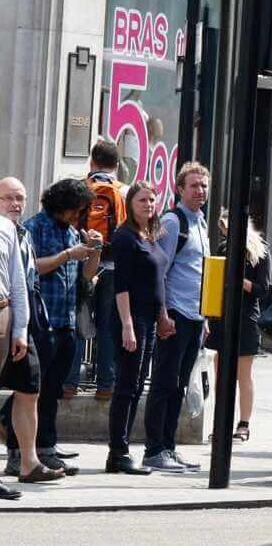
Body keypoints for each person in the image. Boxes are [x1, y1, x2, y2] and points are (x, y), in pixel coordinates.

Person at [16, 179, 101, 475]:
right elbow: (32, 267)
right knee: (31, 389)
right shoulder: (34, 227)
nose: (78, 217)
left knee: (53, 389)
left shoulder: (72, 231)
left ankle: (45, 447)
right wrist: (67, 255)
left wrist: (94, 250)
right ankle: (21, 448)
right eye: (75, 211)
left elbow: (87, 276)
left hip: (66, 319)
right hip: (43, 319)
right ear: (61, 205)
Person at [146, 163, 212, 474]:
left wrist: (206, 316)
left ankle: (169, 447)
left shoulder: (201, 222)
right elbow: (159, 270)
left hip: (195, 316)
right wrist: (162, 314)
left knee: (179, 386)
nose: (200, 191)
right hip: (175, 313)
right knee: (164, 382)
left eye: (203, 185)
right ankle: (154, 449)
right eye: (194, 185)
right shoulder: (173, 222)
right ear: (180, 189)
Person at [106, 183, 172, 475]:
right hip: (131, 318)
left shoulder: (152, 235)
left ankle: (122, 449)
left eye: (152, 200)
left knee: (136, 386)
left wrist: (163, 315)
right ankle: (117, 452)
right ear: (131, 203)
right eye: (142, 200)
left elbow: (158, 281)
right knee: (126, 386)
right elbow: (121, 285)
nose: (148, 204)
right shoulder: (125, 237)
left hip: (150, 316)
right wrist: (128, 327)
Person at [0, 197, 59, 491]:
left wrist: (21, 327)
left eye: (20, 198)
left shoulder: (17, 232)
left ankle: (28, 462)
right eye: (8, 197)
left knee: (30, 384)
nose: (15, 203)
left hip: (14, 313)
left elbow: (19, 281)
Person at [207, 214, 268, 443]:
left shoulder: (259, 251)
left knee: (244, 375)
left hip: (245, 318)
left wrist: (237, 279)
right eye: (222, 228)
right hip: (222, 316)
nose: (223, 231)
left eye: (225, 227)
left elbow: (263, 289)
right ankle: (221, 421)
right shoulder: (223, 248)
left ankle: (244, 424)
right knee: (221, 374)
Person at [83, 137, 127, 402]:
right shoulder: (124, 190)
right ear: (117, 164)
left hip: (85, 262)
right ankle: (105, 384)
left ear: (92, 161)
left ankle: (69, 382)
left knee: (80, 322)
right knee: (108, 326)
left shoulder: (81, 187)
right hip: (113, 266)